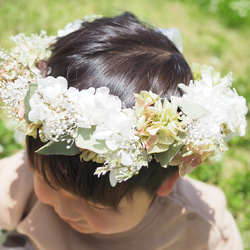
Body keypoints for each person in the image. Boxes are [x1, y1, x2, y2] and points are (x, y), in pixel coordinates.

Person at [0, 12, 246, 250]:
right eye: (49, 183)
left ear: (168, 180)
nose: (64, 210)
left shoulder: (197, 224)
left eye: (96, 206)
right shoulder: (23, 179)